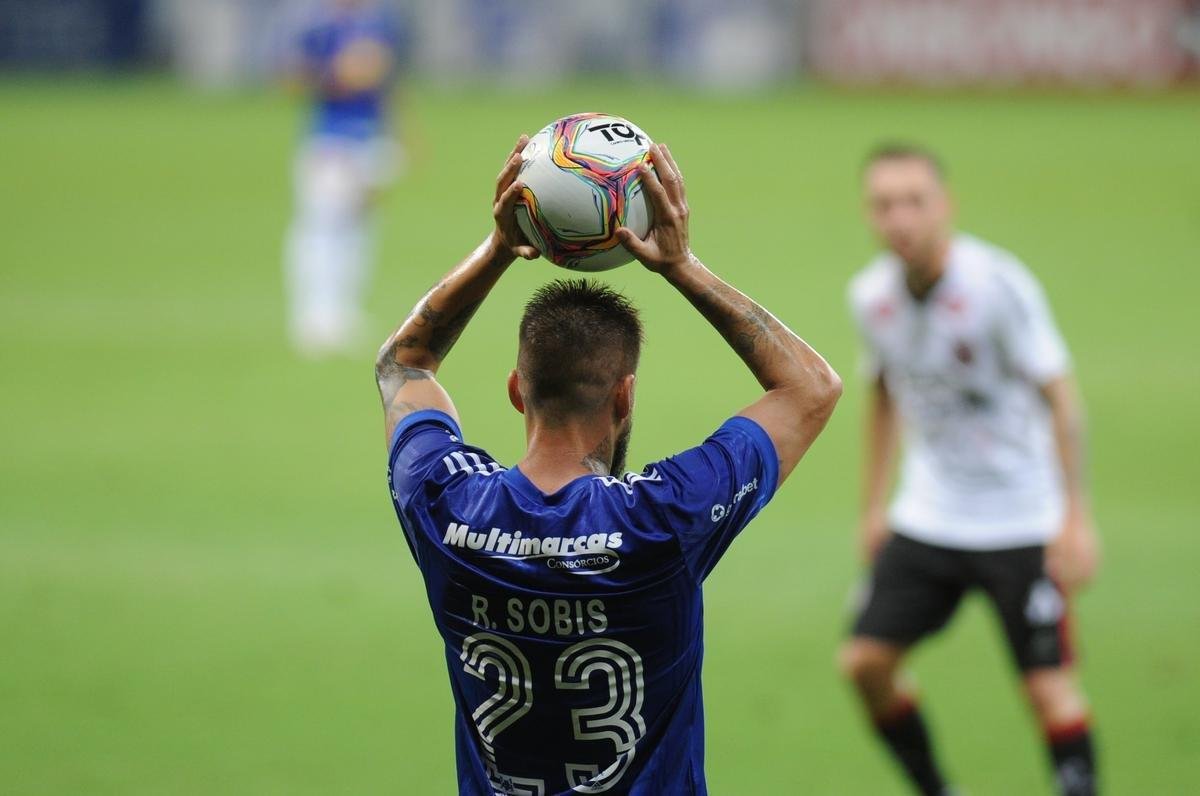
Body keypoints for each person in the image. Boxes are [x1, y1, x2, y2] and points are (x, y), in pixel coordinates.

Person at [376, 138, 841, 793]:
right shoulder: (663, 518)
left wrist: (499, 248)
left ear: (517, 389)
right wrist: (681, 266)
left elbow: (405, 362)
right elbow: (810, 389)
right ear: (624, 395)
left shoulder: (445, 505)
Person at [840, 143, 1101, 796]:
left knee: (1049, 689)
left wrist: (1076, 517)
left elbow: (1061, 397)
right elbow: (883, 393)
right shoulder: (870, 297)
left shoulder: (997, 286)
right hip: (930, 514)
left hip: (1021, 519)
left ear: (946, 206)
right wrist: (873, 508)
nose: (899, 218)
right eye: (883, 204)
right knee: (865, 664)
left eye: (913, 202)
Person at [284, 0, 408, 356]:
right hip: (330, 139)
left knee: (361, 226)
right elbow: (290, 78)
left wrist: (402, 131)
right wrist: (337, 76)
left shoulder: (379, 22)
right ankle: (311, 314)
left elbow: (387, 84)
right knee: (321, 225)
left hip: (369, 139)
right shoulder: (317, 25)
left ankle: (344, 309)